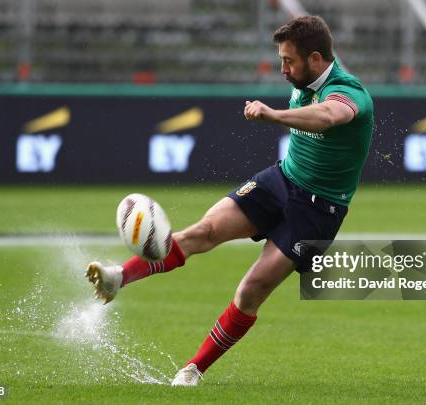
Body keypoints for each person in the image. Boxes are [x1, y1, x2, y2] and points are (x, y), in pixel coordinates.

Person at [86, 15, 374, 386]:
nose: (282, 69)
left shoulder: (350, 92)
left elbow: (329, 116)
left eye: (289, 61)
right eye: (281, 59)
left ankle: (193, 370)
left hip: (318, 210)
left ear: (315, 59)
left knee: (250, 291)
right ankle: (118, 278)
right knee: (203, 231)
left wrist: (273, 114)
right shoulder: (304, 79)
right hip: (280, 180)